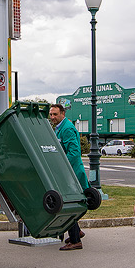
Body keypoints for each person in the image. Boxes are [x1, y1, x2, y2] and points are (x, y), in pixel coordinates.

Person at [47, 103, 88, 249]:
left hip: (72, 173)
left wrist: (64, 170)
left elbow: (74, 153)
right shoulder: (59, 128)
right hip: (69, 172)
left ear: (63, 114)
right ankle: (77, 231)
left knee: (68, 204)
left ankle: (76, 240)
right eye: (51, 114)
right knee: (69, 203)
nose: (52, 117)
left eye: (55, 114)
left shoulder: (67, 129)